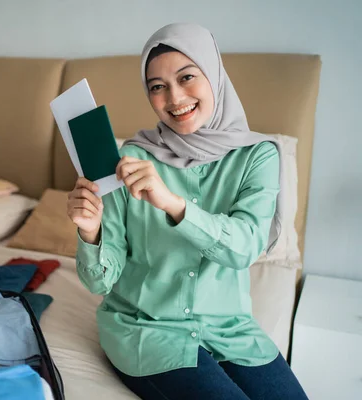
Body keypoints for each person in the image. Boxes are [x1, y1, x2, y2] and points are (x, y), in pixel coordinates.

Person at [66, 23, 308, 400]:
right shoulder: (131, 159)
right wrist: (91, 232)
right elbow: (100, 281)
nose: (174, 97)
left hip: (229, 329)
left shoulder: (257, 156)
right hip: (146, 330)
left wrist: (173, 204)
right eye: (157, 86)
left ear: (213, 75)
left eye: (187, 77)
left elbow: (244, 248)